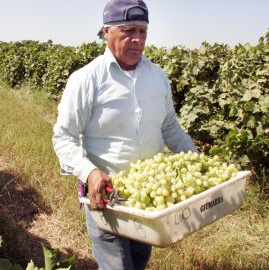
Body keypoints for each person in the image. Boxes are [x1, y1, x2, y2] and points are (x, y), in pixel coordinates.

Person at [52, 0, 198, 269]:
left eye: (142, 32)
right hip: (107, 198)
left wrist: (197, 160)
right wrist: (90, 172)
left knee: (139, 260)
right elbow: (64, 137)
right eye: (128, 30)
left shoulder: (157, 76)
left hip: (147, 201)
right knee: (118, 265)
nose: (137, 39)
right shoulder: (86, 79)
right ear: (106, 32)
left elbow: (170, 127)